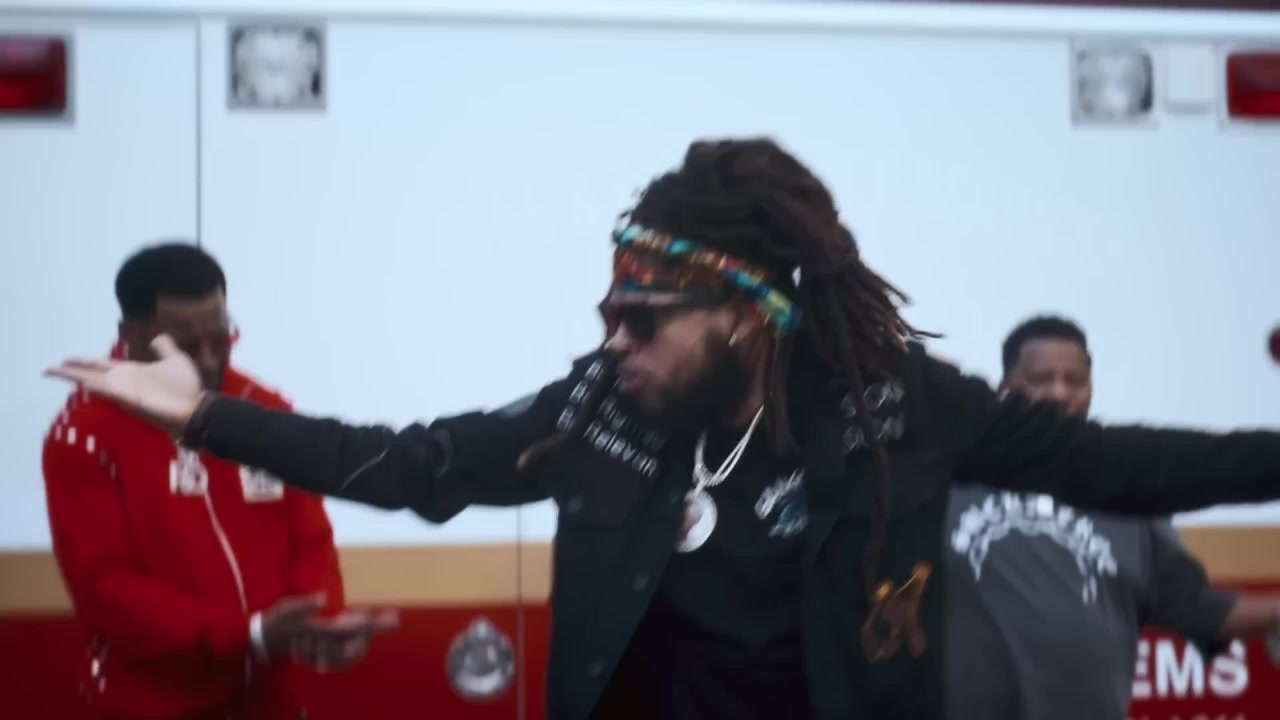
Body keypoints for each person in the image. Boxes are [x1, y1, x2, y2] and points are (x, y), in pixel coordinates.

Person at [44, 140, 1280, 720]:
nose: (612, 342)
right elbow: (414, 463)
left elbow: (1123, 464)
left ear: (742, 316)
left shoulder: (893, 406)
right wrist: (206, 416)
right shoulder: (602, 411)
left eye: (639, 320)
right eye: (606, 315)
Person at [41, 243, 395, 720]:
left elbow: (309, 536)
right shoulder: (84, 432)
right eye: (186, 348)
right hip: (149, 706)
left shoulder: (258, 408)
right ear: (130, 334)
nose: (209, 362)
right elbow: (106, 589)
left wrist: (317, 618)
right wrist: (245, 633)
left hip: (269, 701)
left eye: (221, 339)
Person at [945, 315, 1280, 720]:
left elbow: (1201, 610)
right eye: (1041, 379)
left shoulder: (1130, 497)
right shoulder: (950, 479)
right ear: (1006, 388)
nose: (1059, 392)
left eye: (1074, 381)